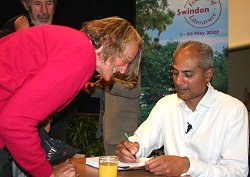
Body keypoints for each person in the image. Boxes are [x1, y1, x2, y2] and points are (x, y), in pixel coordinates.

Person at [0, 16, 142, 177]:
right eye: (126, 59)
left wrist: (42, 118)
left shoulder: (72, 42)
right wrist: (47, 173)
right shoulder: (82, 55)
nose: (124, 70)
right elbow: (14, 123)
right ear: (109, 42)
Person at [115, 40, 249, 177]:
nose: (178, 81)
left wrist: (188, 165)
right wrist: (130, 150)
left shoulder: (233, 110)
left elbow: (238, 172)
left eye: (188, 74)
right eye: (175, 72)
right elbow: (141, 141)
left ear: (208, 75)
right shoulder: (165, 105)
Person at [84, 57, 141, 155]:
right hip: (109, 129)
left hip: (125, 131)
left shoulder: (132, 64)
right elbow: (106, 92)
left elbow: (135, 91)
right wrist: (92, 89)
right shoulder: (110, 64)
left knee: (124, 168)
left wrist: (112, 82)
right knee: (111, 167)